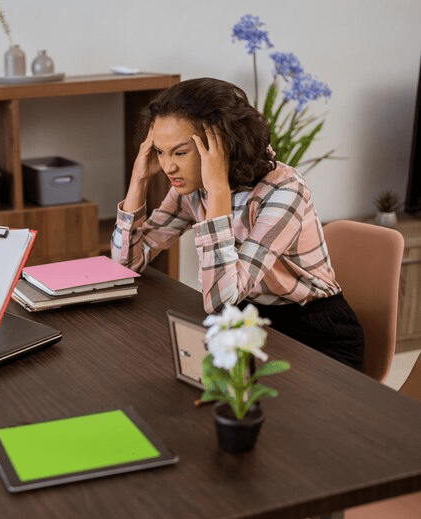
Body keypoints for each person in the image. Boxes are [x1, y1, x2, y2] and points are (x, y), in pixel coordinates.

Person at [111, 77, 364, 371]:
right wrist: (138, 181)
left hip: (315, 333)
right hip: (249, 323)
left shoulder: (284, 192)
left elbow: (221, 300)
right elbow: (123, 266)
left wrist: (218, 192)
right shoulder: (191, 189)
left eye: (180, 152)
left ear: (223, 145)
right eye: (159, 151)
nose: (168, 166)